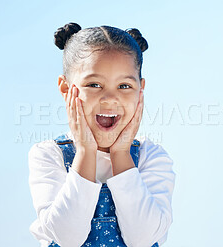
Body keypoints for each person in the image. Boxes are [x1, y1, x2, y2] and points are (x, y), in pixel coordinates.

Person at [28, 22, 176, 247]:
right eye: (94, 84)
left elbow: (143, 239)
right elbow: (67, 237)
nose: (110, 98)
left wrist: (121, 153)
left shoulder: (151, 156)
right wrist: (86, 151)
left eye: (124, 86)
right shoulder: (50, 155)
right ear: (66, 88)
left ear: (140, 89)